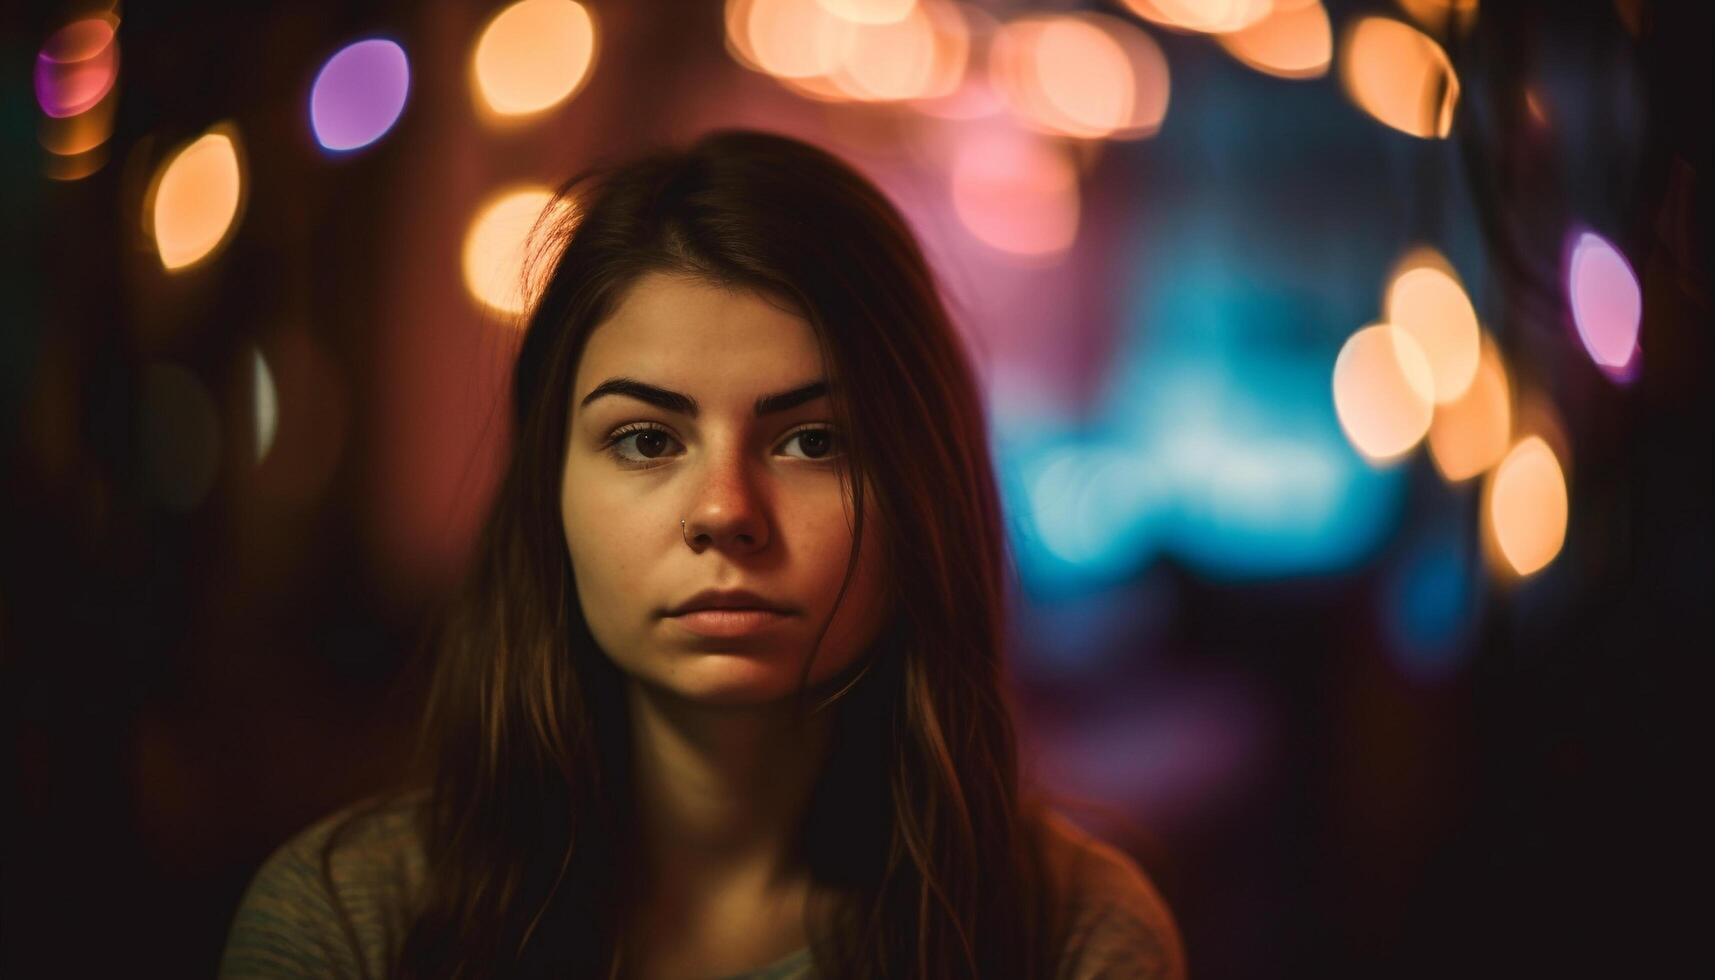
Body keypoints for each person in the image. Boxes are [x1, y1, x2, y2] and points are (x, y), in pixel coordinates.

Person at [218, 129, 1186, 979]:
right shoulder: (352, 923)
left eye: (811, 440)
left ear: (919, 488)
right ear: (548, 493)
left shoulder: (1069, 935)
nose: (725, 512)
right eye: (646, 439)